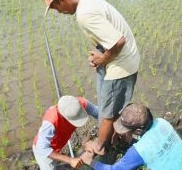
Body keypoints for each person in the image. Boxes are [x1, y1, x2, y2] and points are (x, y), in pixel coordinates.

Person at [44, 0, 140, 154]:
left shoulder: (84, 13)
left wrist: (103, 59)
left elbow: (118, 40)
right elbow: (111, 38)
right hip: (118, 60)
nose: (58, 11)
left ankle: (101, 146)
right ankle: (113, 136)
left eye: (55, 5)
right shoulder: (88, 3)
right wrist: (101, 55)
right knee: (107, 106)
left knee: (109, 112)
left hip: (121, 66)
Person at [80, 103, 182, 170]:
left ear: (137, 131)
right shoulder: (162, 122)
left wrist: (91, 162)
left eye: (127, 131)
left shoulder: (138, 151)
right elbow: (153, 142)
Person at [32, 95, 98, 170]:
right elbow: (42, 148)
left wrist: (98, 141)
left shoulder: (79, 104)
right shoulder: (51, 122)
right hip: (44, 149)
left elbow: (100, 114)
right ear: (63, 116)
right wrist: (70, 160)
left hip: (58, 144)